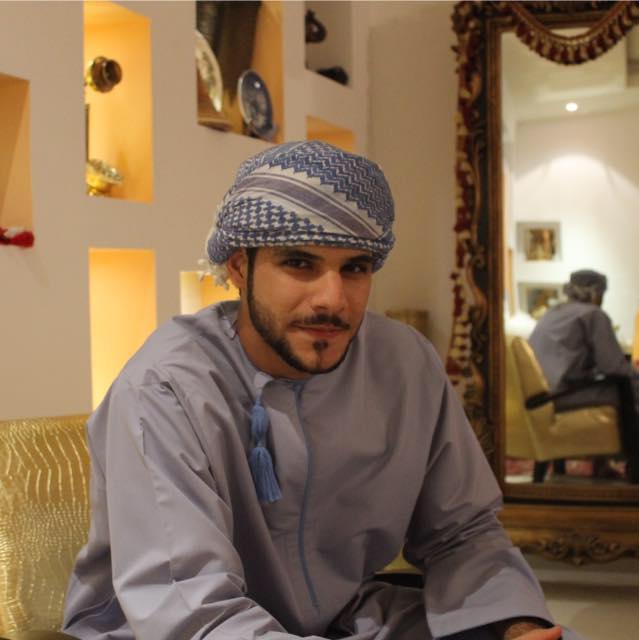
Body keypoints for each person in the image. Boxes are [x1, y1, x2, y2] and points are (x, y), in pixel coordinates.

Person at [63, 142, 572, 640]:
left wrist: (517, 626)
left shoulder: (404, 364)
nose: (333, 299)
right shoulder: (165, 390)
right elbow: (189, 608)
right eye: (300, 263)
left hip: (344, 617)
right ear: (239, 267)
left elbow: (462, 531)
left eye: (355, 268)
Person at [528, 269, 639, 479]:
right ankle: (634, 466)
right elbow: (612, 365)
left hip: (540, 397)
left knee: (615, 387)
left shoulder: (552, 313)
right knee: (626, 391)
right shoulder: (593, 314)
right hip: (563, 394)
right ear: (596, 293)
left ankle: (602, 465)